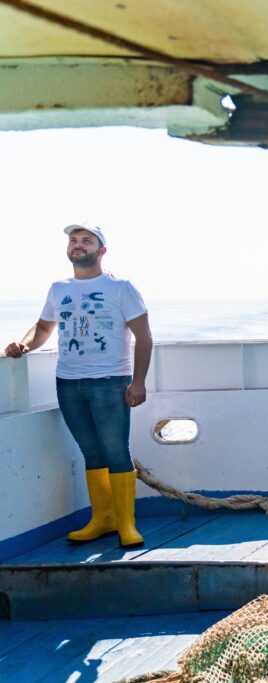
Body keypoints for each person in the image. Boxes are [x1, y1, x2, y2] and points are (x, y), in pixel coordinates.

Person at [5, 223, 153, 547]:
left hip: (110, 381)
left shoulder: (121, 287)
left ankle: (126, 524)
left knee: (115, 451)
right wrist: (24, 345)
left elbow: (144, 336)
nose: (78, 245)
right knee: (91, 452)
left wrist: (138, 381)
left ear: (101, 250)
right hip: (69, 383)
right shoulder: (58, 288)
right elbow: (43, 327)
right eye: (74, 241)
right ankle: (103, 519)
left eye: (87, 241)